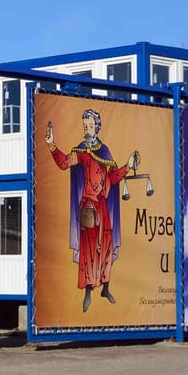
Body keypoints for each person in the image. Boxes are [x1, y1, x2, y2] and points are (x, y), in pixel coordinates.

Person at [44, 108, 139, 312]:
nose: (87, 128)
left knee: (105, 246)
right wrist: (51, 144)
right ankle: (88, 292)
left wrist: (128, 166)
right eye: (84, 125)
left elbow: (113, 178)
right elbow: (64, 163)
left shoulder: (104, 152)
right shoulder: (80, 151)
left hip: (103, 207)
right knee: (88, 252)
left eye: (90, 125)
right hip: (88, 207)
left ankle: (105, 287)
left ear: (98, 127)